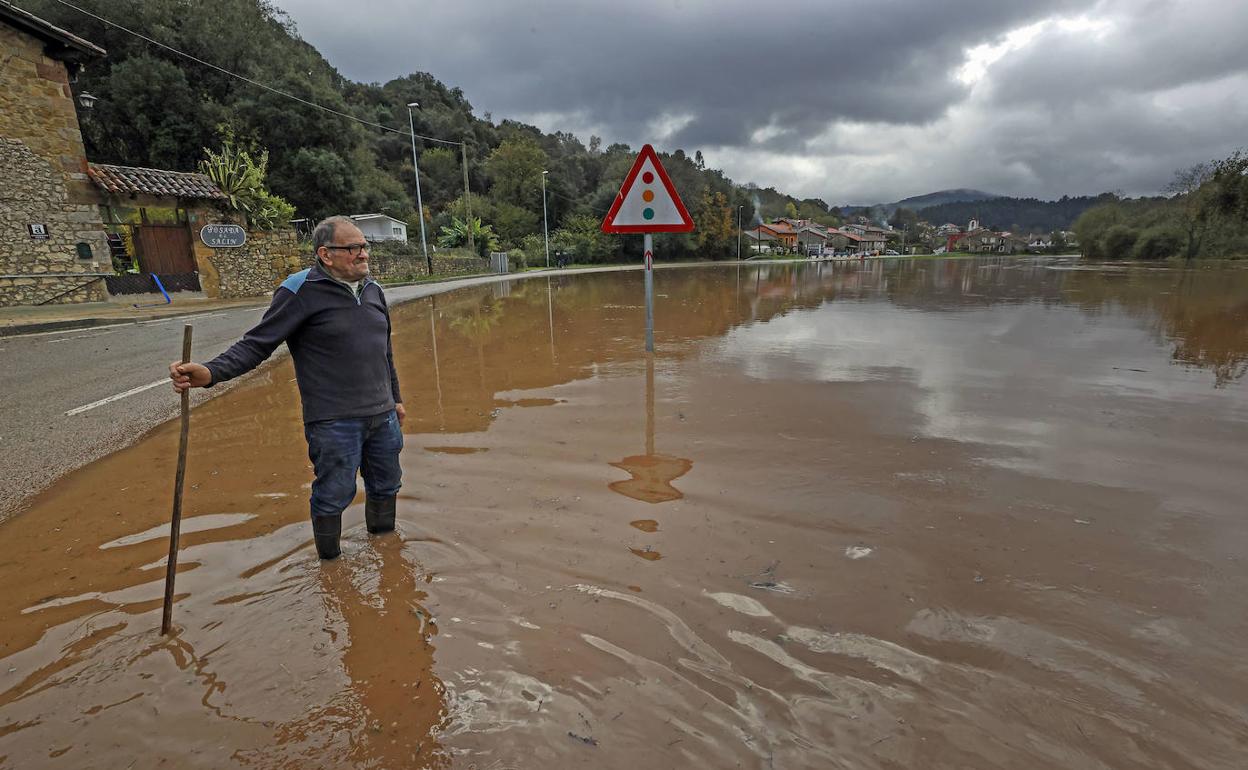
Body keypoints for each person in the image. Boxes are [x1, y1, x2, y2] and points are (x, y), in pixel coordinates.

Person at [170, 216, 406, 560]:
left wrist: (395, 398)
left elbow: (383, 351)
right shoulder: (298, 291)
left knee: (387, 485)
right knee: (333, 493)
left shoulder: (374, 290)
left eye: (364, 247)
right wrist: (210, 372)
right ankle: (331, 569)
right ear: (325, 254)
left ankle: (385, 553)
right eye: (353, 248)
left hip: (382, 416)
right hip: (333, 421)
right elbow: (256, 345)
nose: (363, 254)